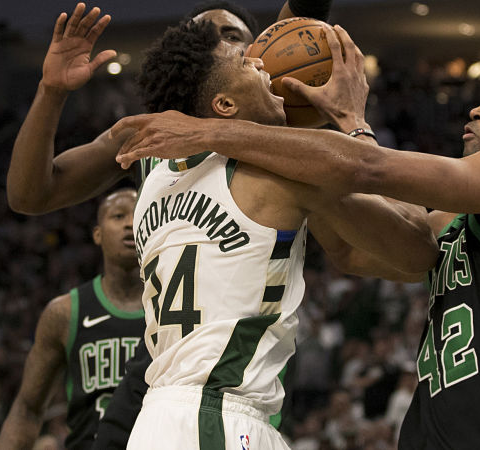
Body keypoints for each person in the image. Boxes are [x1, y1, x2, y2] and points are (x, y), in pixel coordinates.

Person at [112, 27, 480, 447]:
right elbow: (358, 249)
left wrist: (345, 123)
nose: (476, 109)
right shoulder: (455, 217)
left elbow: (370, 172)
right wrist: (314, 168)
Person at [3, 2, 338, 448]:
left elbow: (303, 13)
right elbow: (30, 193)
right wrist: (51, 90)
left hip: (243, 355)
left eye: (232, 37)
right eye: (203, 36)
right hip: (165, 369)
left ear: (262, 52)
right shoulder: (149, 137)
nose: (217, 43)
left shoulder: (280, 135)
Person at [122, 16, 436, 449]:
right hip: (215, 417)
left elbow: (345, 250)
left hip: (163, 417)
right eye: (248, 66)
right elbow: (416, 246)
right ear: (225, 106)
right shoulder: (274, 175)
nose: (266, 68)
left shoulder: (155, 182)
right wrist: (350, 119)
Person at [0, 188, 144, 449]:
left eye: (138, 213)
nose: (130, 223)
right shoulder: (64, 313)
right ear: (97, 234)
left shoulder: (175, 307)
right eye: (118, 216)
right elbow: (27, 408)